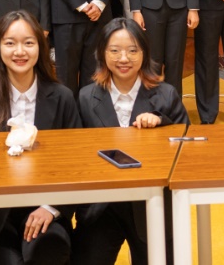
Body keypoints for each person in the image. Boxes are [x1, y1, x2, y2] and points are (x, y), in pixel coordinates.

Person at [0, 10, 80, 265]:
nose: (20, 51)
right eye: (10, 43)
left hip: (45, 206)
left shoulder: (63, 97)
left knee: (49, 250)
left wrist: (51, 208)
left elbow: (76, 166)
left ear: (41, 47)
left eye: (28, 43)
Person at [73, 18, 188, 265]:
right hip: (102, 206)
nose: (123, 58)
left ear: (144, 53)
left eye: (133, 50)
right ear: (102, 53)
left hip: (152, 205)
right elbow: (76, 157)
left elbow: (185, 150)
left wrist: (162, 121)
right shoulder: (86, 97)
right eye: (114, 50)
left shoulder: (166, 94)